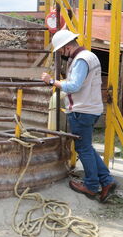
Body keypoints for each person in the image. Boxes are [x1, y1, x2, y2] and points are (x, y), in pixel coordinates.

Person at [41, 29, 117, 203]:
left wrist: (51, 81)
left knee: (83, 149)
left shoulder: (81, 60)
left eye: (61, 50)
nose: (62, 53)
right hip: (91, 109)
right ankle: (107, 181)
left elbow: (74, 86)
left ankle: (91, 186)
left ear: (67, 47)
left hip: (82, 111)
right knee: (87, 147)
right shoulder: (90, 56)